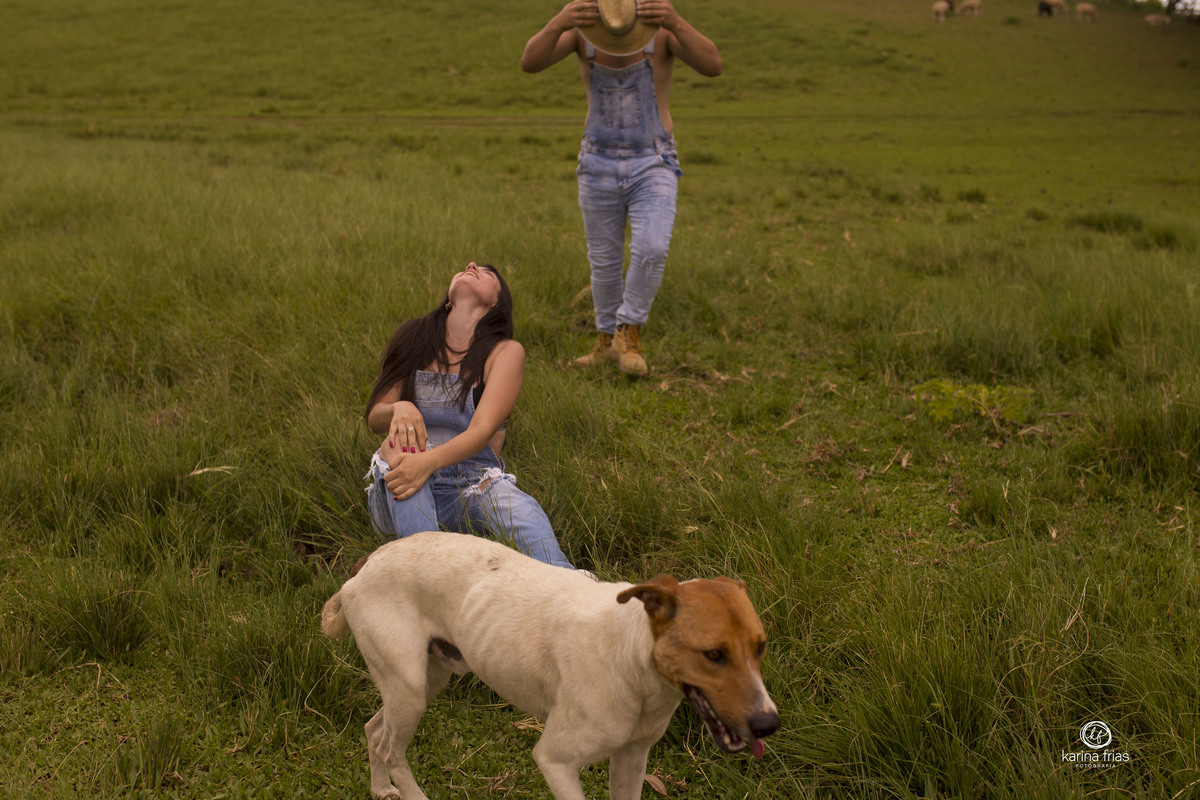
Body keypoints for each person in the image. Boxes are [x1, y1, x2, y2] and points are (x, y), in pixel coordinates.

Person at [521, 0, 722, 377]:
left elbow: (713, 65)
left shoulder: (662, 31)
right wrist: (558, 22)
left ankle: (628, 331)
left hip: (653, 159)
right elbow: (530, 62)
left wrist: (676, 21)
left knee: (652, 247)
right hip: (597, 159)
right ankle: (606, 341)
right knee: (604, 259)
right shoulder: (581, 32)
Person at [362, 261, 577, 569]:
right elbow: (375, 417)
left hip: (474, 483)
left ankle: (566, 580)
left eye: (487, 272)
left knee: (521, 510)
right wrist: (400, 407)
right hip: (404, 483)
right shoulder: (414, 337)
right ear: (449, 300)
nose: (472, 265)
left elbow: (481, 430)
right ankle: (427, 573)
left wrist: (428, 463)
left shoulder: (505, 352)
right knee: (401, 450)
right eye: (469, 266)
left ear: (496, 303)